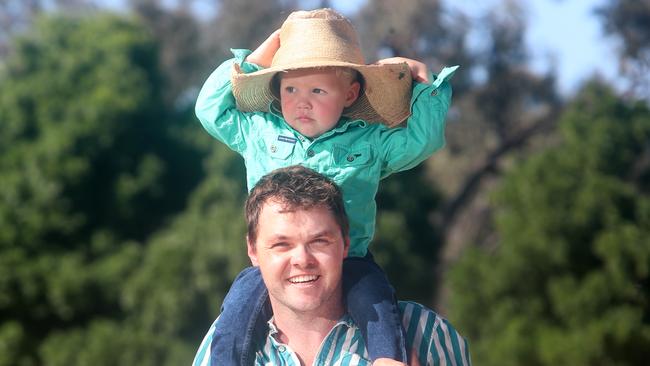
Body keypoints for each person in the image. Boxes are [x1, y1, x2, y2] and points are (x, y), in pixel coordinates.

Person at [195, 8, 458, 365]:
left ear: (350, 95)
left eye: (317, 90)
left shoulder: (369, 141)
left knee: (377, 304)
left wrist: (425, 88)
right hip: (275, 268)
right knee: (236, 310)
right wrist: (254, 62)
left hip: (353, 256)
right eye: (290, 88)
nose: (302, 101)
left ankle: (390, 360)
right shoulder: (260, 131)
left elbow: (423, 139)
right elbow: (209, 109)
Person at [192, 166, 471, 366]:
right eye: (282, 245)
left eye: (319, 241)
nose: (302, 259)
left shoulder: (424, 333)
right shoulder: (220, 346)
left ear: (345, 244)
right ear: (252, 251)